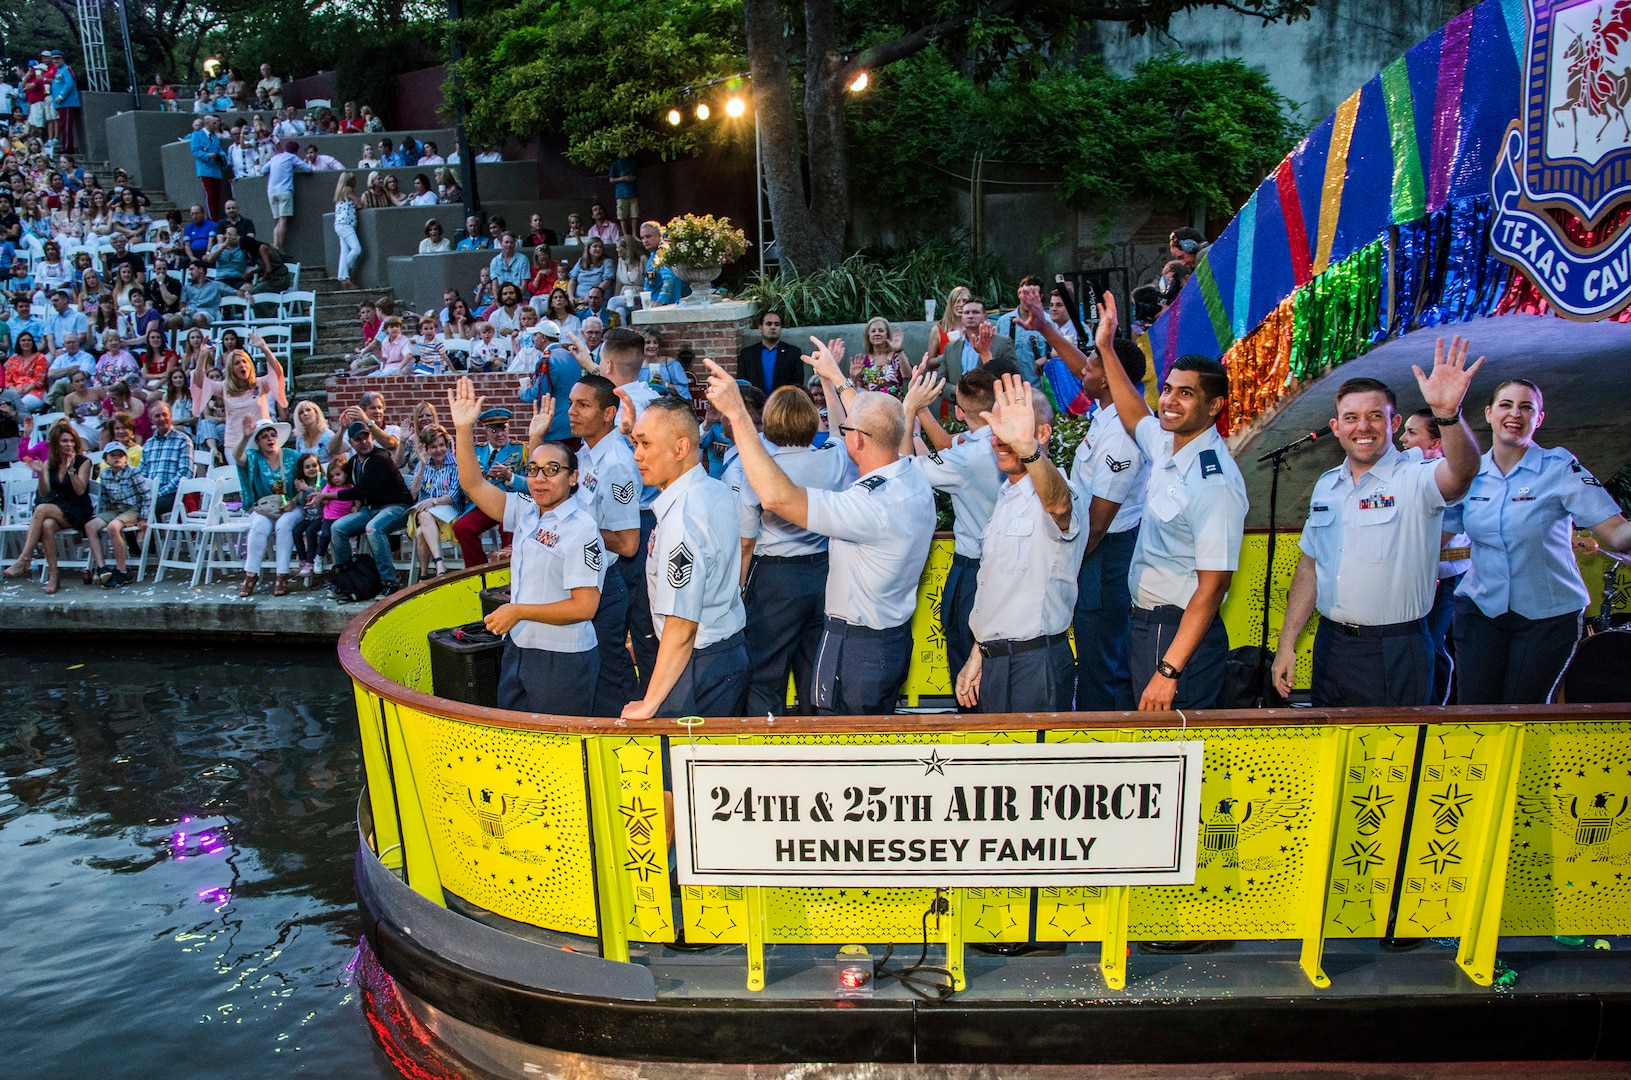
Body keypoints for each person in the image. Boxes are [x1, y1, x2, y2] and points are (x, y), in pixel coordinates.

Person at [705, 339, 935, 714]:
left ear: (857, 439)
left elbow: (777, 499)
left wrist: (738, 417)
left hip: (847, 637)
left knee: (782, 686)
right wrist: (836, 380)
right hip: (871, 621)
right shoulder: (910, 476)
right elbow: (851, 435)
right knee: (820, 688)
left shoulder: (868, 506)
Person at [1271, 349, 1484, 708]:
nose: (1363, 426)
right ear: (1336, 427)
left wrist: (1447, 416)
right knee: (1332, 754)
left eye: (1375, 416)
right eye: (1351, 417)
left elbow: (1462, 473)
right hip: (1331, 646)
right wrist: (1286, 644)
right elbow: (1310, 565)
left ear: (1394, 422)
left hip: (1395, 649)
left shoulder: (1416, 480)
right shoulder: (1327, 485)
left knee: (1391, 760)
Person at [1093, 291, 1246, 711]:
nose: (1170, 401)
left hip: (1178, 634)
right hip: (1145, 625)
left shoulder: (1215, 482)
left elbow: (1213, 585)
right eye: (1168, 389)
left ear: (1215, 406)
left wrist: (1169, 671)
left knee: (1178, 754)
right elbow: (1132, 414)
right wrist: (1106, 348)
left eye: (1186, 394)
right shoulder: (1166, 443)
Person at [1443, 378, 1631, 704]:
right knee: (1474, 714)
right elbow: (1432, 543)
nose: (1515, 413)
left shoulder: (1559, 468)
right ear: (1489, 413)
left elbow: (1616, 534)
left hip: (1547, 618)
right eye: (1506, 405)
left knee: (1523, 713)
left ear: (1538, 418)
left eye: (1526, 407)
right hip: (1479, 611)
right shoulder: (1467, 473)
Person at [1018, 294, 1149, 710]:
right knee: (1093, 651)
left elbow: (1097, 522)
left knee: (1102, 660)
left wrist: (1064, 561)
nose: (1082, 369)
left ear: (1108, 379)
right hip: (1094, 549)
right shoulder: (1109, 409)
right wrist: (1044, 327)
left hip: (1104, 553)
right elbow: (1086, 370)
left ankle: (1105, 740)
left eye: (1093, 364)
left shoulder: (1121, 437)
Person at [447, 379, 604, 715]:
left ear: (572, 478)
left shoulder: (580, 528)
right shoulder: (526, 512)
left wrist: (518, 611)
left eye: (552, 470)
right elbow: (472, 483)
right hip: (519, 647)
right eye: (533, 470)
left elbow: (585, 607)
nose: (540, 478)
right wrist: (463, 428)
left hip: (562, 658)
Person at [955, 375, 1087, 712]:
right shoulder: (1006, 495)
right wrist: (978, 655)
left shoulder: (1061, 493)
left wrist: (1026, 448)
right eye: (996, 428)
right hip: (996, 662)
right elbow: (998, 591)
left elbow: (1059, 505)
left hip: (1035, 664)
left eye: (1012, 427)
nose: (1000, 438)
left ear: (1041, 433)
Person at [618, 394, 748, 719]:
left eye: (645, 444)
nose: (637, 455)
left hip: (696, 664)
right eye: (635, 443)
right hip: (722, 653)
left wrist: (650, 702)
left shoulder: (683, 518)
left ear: (680, 449)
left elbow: (681, 625)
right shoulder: (713, 489)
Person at [736, 385, 853, 715]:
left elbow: (746, 540)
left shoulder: (761, 469)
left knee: (764, 672)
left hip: (774, 577)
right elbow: (841, 431)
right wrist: (831, 384)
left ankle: (766, 750)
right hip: (824, 573)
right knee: (815, 671)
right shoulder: (833, 457)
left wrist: (740, 587)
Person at [899, 366, 1002, 699]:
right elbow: (947, 446)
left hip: (975, 569)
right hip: (994, 564)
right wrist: (922, 414)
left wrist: (909, 409)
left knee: (967, 661)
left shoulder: (969, 457)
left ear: (959, 412)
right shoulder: (987, 443)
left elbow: (899, 473)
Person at [567, 374, 643, 714]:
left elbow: (627, 543)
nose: (572, 412)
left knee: (611, 677)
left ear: (609, 413)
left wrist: (578, 529)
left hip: (611, 583)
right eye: (572, 403)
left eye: (583, 405)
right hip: (587, 578)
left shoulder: (616, 464)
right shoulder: (585, 455)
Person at [1397, 408, 1472, 705]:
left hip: (1444, 575)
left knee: (1429, 641)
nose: (1402, 439)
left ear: (1436, 442)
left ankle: (1432, 707)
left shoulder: (1449, 479)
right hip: (1417, 575)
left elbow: (1440, 539)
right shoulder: (1409, 474)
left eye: (1412, 433)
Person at [311, 420, 413, 597]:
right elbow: (334, 457)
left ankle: (389, 582)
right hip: (372, 509)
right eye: (358, 439)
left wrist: (326, 496)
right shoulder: (353, 462)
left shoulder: (380, 458)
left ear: (371, 437)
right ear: (351, 443)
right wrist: (315, 491)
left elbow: (360, 491)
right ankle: (348, 578)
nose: (364, 442)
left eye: (366, 437)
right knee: (338, 528)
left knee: (373, 529)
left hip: (397, 507)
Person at [3, 421, 92, 594]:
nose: (69, 444)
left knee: (42, 509)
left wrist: (71, 470)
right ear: (55, 443)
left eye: (71, 441)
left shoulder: (83, 462)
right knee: (46, 525)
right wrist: (42, 474)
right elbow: (44, 492)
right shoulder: (49, 463)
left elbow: (81, 491)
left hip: (77, 510)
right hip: (57, 508)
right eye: (64, 441)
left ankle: (24, 559)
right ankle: (53, 575)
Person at [233, 417, 303, 597]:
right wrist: (244, 436)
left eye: (273, 435)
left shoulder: (292, 456)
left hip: (290, 505)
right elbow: (237, 457)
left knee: (284, 525)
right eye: (264, 436)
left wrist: (294, 502)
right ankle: (250, 576)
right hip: (264, 507)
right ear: (257, 442)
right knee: (259, 526)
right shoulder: (253, 457)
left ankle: (281, 576)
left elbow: (306, 483)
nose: (270, 439)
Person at [451, 408, 525, 567]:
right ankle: (478, 571)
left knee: (509, 524)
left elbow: (529, 482)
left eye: (503, 429)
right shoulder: (476, 451)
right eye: (494, 430)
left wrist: (509, 477)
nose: (500, 434)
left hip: (509, 503)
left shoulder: (521, 450)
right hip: (482, 504)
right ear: (486, 433)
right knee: (462, 527)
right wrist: (480, 480)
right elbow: (464, 486)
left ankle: (507, 569)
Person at [83, 441, 151, 589]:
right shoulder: (105, 474)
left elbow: (146, 495)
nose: (117, 458)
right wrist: (100, 517)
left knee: (113, 527)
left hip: (133, 509)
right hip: (115, 508)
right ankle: (102, 568)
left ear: (126, 458)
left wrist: (144, 517)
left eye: (120, 455)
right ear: (106, 459)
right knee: (90, 526)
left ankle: (122, 570)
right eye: (113, 455)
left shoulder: (133, 472)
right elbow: (105, 499)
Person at [406, 424, 465, 578]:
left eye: (441, 445)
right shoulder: (423, 464)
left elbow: (453, 496)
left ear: (447, 445)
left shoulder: (456, 465)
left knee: (421, 532)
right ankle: (439, 566)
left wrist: (433, 502)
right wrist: (423, 465)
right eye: (433, 447)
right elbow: (414, 491)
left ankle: (424, 575)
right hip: (426, 515)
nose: (439, 450)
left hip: (450, 515)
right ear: (426, 449)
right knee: (423, 516)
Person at [937, 296, 1024, 398]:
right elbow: (939, 381)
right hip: (957, 407)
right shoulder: (951, 347)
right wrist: (956, 390)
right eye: (966, 313)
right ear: (961, 317)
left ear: (985, 317)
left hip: (991, 406)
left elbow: (1015, 379)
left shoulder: (1003, 343)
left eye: (975, 312)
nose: (970, 316)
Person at [137, 399, 193, 519]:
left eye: (164, 414)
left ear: (170, 416)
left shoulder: (182, 440)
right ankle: (138, 538)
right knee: (128, 509)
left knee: (149, 509)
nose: (162, 419)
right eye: (157, 416)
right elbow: (142, 473)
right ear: (151, 420)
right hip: (151, 494)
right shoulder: (148, 444)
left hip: (174, 494)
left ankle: (148, 538)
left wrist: (160, 493)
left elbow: (185, 473)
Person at [737, 311, 803, 396]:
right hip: (756, 405)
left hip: (783, 404)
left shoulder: (793, 353)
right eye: (769, 324)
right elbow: (743, 384)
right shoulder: (747, 354)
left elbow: (797, 384)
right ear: (760, 328)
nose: (773, 327)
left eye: (777, 324)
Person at [265, 139, 314, 252]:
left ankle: (275, 246)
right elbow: (308, 169)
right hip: (284, 190)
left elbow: (263, 170)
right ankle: (280, 248)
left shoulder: (275, 158)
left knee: (277, 221)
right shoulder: (292, 157)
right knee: (283, 220)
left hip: (271, 191)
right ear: (296, 151)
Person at [851, 316, 908, 396]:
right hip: (870, 404)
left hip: (894, 403)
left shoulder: (896, 356)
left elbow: (908, 375)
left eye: (881, 331)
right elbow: (858, 391)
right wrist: (853, 378)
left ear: (887, 334)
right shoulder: (863, 361)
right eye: (873, 331)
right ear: (868, 336)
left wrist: (899, 351)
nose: (877, 333)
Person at [190, 115, 227, 220]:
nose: (216, 125)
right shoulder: (197, 135)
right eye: (214, 123)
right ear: (207, 123)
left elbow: (219, 150)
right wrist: (208, 156)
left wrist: (222, 156)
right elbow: (195, 151)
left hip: (216, 170)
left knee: (216, 197)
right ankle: (212, 219)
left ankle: (214, 217)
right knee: (209, 195)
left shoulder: (215, 138)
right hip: (205, 169)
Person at [332, 172, 363, 289]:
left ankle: (345, 278)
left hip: (340, 224)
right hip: (346, 224)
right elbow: (358, 204)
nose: (355, 182)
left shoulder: (340, 192)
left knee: (344, 252)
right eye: (353, 180)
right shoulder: (348, 189)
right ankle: (348, 268)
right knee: (356, 249)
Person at [609, 155, 639, 238]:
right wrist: (622, 178)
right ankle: (625, 235)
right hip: (621, 193)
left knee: (634, 213)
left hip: (632, 191)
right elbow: (611, 179)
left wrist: (632, 178)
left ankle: (634, 234)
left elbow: (637, 175)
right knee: (622, 215)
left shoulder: (632, 163)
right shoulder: (615, 164)